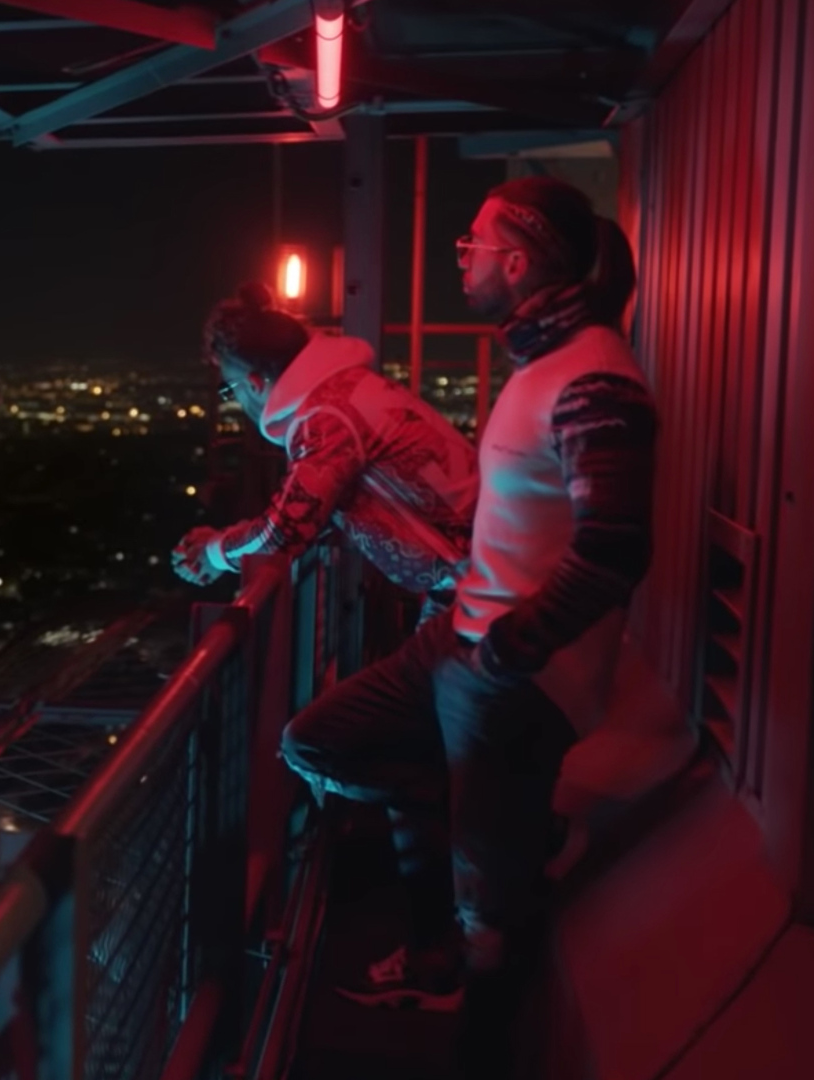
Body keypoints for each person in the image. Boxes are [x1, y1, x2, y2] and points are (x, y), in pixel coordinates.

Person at [280, 176, 657, 1014]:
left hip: (508, 673)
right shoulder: (545, 364)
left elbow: (617, 545)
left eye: (472, 245)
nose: (461, 258)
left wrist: (511, 650)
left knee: (490, 917)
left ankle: (476, 1011)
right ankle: (499, 836)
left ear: (515, 261)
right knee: (317, 741)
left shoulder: (593, 381)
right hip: (462, 640)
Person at [171, 282, 479, 619]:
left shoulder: (326, 418)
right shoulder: (347, 390)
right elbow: (309, 510)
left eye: (230, 390)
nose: (236, 401)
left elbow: (285, 531)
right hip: (482, 567)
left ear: (255, 383)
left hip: (478, 585)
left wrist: (213, 554)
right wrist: (226, 541)